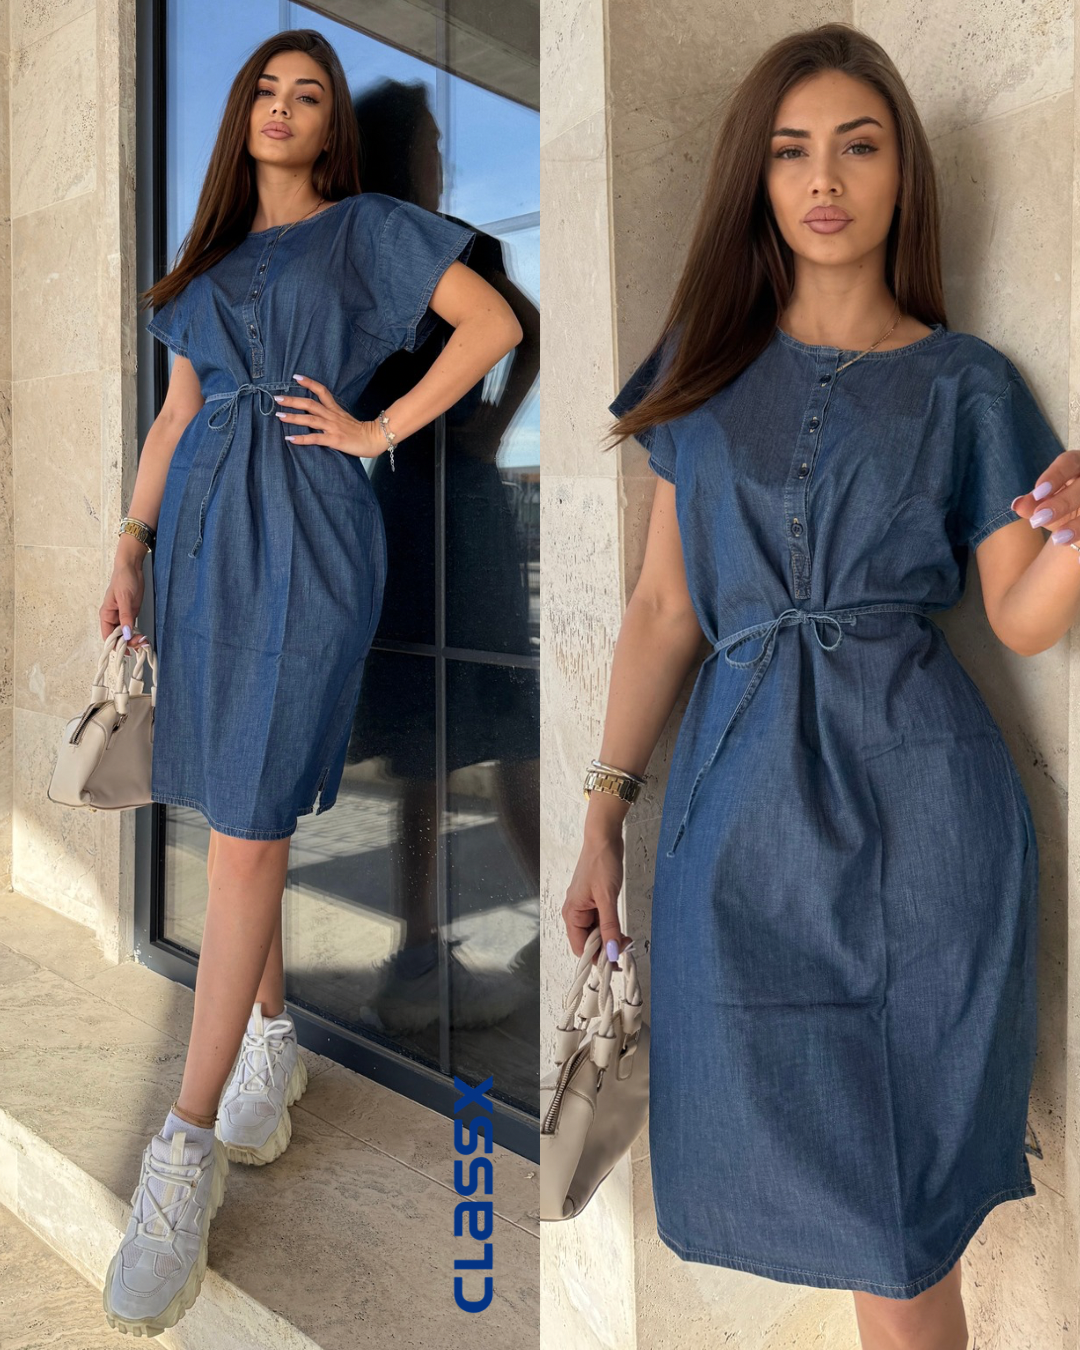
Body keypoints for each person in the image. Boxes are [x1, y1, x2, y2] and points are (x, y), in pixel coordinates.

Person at [561, 22, 1077, 1349]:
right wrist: (605, 809)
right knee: (836, 1194)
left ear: (905, 173)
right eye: (792, 152)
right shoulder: (703, 369)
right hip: (739, 831)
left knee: (900, 1217)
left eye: (859, 145)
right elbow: (664, 610)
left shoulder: (967, 384)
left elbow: (1020, 614)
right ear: (758, 178)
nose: (825, 179)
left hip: (925, 822)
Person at [99, 29, 521, 1338]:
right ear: (243, 116)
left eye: (310, 95)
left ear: (332, 126)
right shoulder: (208, 266)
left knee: (248, 828)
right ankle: (270, 1047)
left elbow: (494, 324)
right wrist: (129, 546)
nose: (285, 109)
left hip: (309, 548)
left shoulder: (368, 231)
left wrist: (379, 425)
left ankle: (182, 1153)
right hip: (201, 551)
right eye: (267, 92)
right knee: (237, 810)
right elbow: (177, 415)